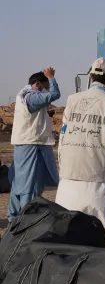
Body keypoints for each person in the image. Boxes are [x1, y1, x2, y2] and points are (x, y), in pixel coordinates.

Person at [56, 58, 105, 227]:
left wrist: (62, 163)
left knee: (67, 223)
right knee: (95, 225)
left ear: (91, 77)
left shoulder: (72, 100)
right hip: (98, 172)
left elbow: (63, 136)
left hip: (70, 170)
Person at [9, 68, 61, 221]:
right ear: (37, 84)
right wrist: (51, 77)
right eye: (46, 85)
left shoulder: (24, 96)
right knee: (29, 184)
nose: (47, 89)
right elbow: (54, 94)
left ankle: (15, 217)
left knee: (23, 181)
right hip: (31, 144)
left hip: (28, 143)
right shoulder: (31, 97)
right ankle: (26, 218)